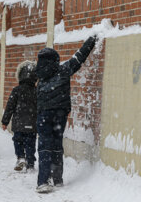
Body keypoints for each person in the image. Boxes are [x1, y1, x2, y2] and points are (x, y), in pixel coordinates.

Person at [35, 36, 96, 193]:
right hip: (59, 114)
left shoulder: (39, 76)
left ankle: (43, 180)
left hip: (43, 115)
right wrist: (92, 40)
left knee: (44, 146)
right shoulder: (62, 70)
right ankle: (57, 178)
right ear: (55, 60)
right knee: (56, 144)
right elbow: (79, 57)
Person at [1, 60, 37, 172]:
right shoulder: (37, 91)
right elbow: (41, 107)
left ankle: (21, 157)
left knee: (18, 141)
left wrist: (5, 121)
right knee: (30, 143)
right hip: (32, 123)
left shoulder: (16, 90)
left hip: (18, 123)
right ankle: (30, 163)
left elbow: (9, 107)